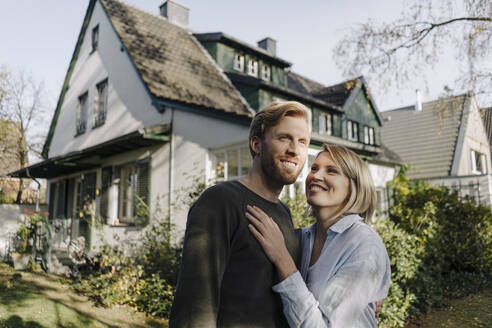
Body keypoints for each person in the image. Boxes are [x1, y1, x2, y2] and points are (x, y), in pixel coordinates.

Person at [169, 101, 311, 327]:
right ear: (256, 144)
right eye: (284, 138)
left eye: (302, 141)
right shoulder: (220, 201)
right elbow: (194, 309)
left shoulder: (284, 213)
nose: (294, 149)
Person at [246, 144, 391, 327]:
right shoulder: (301, 238)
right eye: (314, 168)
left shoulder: (364, 244)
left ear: (354, 186)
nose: (316, 176)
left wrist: (282, 259)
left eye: (331, 171)